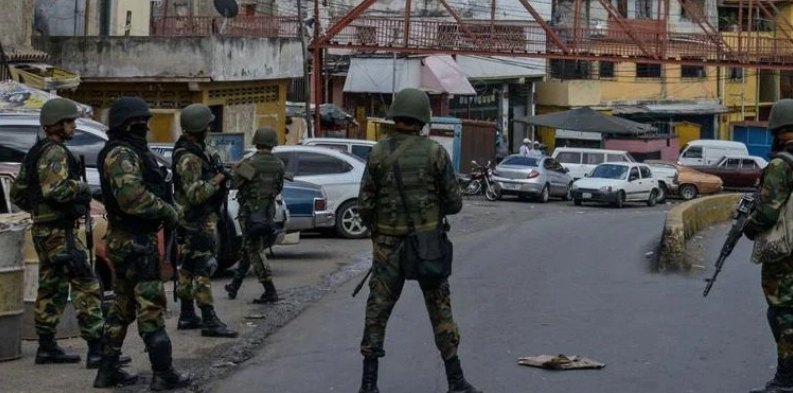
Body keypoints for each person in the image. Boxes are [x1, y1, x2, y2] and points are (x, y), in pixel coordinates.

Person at [356, 88, 481, 393]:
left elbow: (364, 206)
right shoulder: (435, 153)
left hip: (387, 247)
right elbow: (454, 204)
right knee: (440, 309)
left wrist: (381, 234)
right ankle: (455, 381)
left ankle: (368, 385)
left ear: (396, 115)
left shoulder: (378, 152)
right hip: (427, 245)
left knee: (377, 311)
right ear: (423, 118)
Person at [9, 98, 125, 369]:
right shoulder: (55, 153)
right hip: (58, 233)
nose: (74, 126)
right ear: (56, 125)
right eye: (70, 122)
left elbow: (18, 193)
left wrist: (40, 212)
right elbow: (54, 190)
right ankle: (97, 349)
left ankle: (47, 347)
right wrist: (81, 188)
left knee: (52, 287)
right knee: (86, 284)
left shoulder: (37, 151)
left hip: (44, 230)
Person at [93, 96, 189, 390]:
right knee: (151, 307)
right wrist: (168, 211)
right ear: (128, 124)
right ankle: (164, 374)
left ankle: (107, 371)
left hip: (127, 240)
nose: (146, 127)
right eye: (142, 122)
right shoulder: (122, 155)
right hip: (134, 242)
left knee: (121, 308)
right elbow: (132, 198)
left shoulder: (129, 152)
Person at [172, 104, 237, 338]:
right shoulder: (189, 158)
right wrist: (218, 179)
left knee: (188, 268)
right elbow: (195, 194)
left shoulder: (196, 151)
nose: (209, 128)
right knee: (203, 268)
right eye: (206, 125)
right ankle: (209, 319)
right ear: (196, 128)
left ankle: (187, 315)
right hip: (198, 220)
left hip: (195, 219)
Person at [744, 98, 793, 393]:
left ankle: (786, 381)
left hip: (786, 253)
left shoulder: (780, 164)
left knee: (782, 312)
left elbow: (768, 212)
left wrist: (749, 227)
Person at [224, 127, 285, 303]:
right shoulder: (279, 164)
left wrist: (236, 169)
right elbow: (279, 187)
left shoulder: (251, 163)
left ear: (257, 142)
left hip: (250, 214)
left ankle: (269, 290)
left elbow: (234, 183)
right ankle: (234, 286)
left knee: (253, 249)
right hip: (267, 213)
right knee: (248, 248)